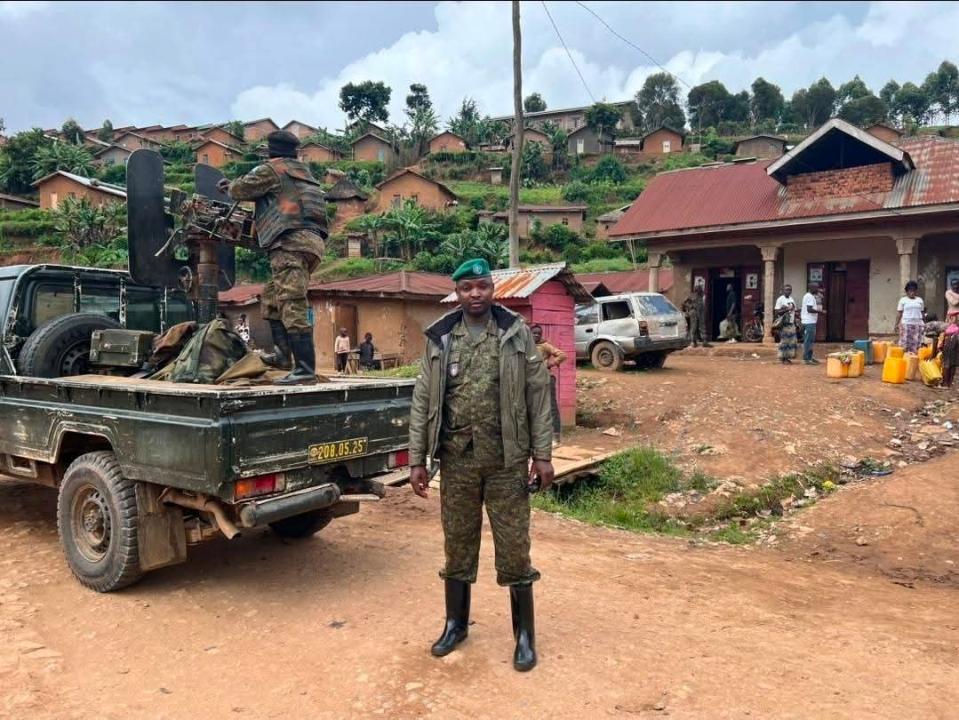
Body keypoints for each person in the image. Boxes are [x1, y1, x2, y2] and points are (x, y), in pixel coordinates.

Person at [408, 258, 553, 673]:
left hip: (508, 460)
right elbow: (423, 400)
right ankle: (456, 624)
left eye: (482, 287)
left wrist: (542, 455)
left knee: (513, 547)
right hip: (457, 461)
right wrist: (417, 458)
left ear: (494, 289)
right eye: (467, 287)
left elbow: (538, 395)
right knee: (457, 543)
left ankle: (524, 635)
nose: (475, 294)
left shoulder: (515, 333)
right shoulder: (440, 338)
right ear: (457, 292)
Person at [220, 130, 327, 384]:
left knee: (291, 301)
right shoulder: (303, 173)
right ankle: (282, 357)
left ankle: (305, 369)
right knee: (271, 297)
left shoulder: (272, 169)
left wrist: (228, 187)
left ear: (270, 151)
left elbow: (242, 188)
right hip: (312, 243)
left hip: (290, 241)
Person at [531, 324, 567, 445]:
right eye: (534, 333)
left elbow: (562, 355)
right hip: (533, 380)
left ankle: (556, 437)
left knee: (551, 406)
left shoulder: (545, 345)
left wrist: (549, 363)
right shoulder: (527, 346)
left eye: (538, 333)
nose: (536, 335)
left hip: (547, 379)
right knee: (535, 408)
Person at [894, 281, 925, 354]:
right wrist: (896, 324)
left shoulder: (919, 300)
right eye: (910, 290)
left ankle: (914, 360)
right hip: (906, 324)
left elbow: (922, 312)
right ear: (907, 291)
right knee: (905, 343)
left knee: (916, 343)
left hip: (918, 324)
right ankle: (905, 359)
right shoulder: (903, 300)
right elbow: (899, 313)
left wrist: (925, 323)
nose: (912, 292)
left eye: (914, 290)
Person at [801, 282, 824, 365]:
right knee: (808, 340)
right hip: (809, 321)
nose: (817, 289)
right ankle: (806, 359)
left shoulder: (810, 296)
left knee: (810, 340)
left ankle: (810, 357)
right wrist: (820, 312)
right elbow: (809, 309)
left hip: (811, 321)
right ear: (811, 288)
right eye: (816, 288)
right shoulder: (809, 297)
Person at [774, 284, 798, 364]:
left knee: (791, 341)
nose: (788, 291)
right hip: (784, 324)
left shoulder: (792, 299)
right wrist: (787, 309)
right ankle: (783, 358)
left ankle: (787, 357)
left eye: (789, 290)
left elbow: (794, 311)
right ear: (783, 290)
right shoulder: (780, 299)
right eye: (787, 290)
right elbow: (777, 312)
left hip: (791, 323)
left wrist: (796, 322)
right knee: (784, 341)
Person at [942, 322, 959, 388]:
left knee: (951, 369)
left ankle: (948, 383)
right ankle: (947, 383)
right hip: (949, 355)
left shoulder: (955, 338)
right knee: (948, 368)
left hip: (953, 355)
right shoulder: (949, 337)